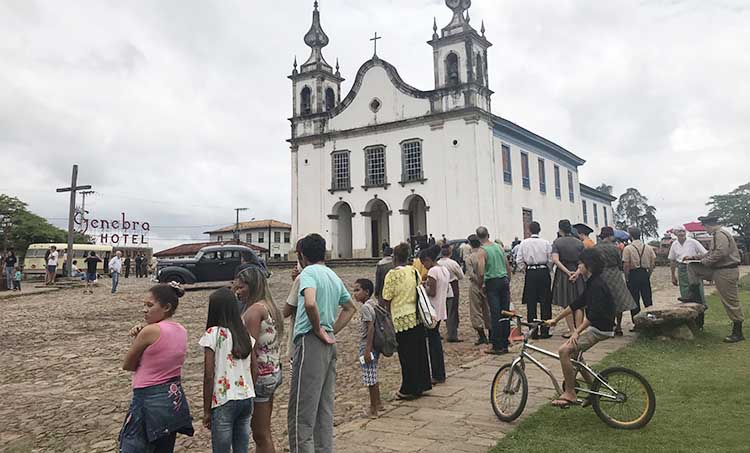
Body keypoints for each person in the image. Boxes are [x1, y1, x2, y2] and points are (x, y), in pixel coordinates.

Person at [287, 233, 356, 453]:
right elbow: (350, 308)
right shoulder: (332, 275)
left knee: (301, 413)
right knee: (323, 411)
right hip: (328, 345)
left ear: (302, 255)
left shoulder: (308, 273)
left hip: (310, 341)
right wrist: (330, 330)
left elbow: (309, 303)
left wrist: (318, 328)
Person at [120, 283, 193, 452]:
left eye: (150, 305)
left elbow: (128, 364)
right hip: (172, 397)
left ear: (166, 307)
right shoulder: (181, 330)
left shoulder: (149, 332)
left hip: (148, 397)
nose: (144, 310)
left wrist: (139, 337)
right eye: (144, 305)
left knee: (133, 445)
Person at [546, 248, 616, 408]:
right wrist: (556, 320)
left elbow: (593, 315)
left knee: (564, 351)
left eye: (580, 264)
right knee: (576, 355)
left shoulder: (597, 285)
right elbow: (577, 303)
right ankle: (594, 389)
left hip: (600, 329)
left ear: (589, 266)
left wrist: (576, 332)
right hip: (598, 326)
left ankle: (570, 393)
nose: (578, 267)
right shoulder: (592, 281)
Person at [200, 288, 256, 453]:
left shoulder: (213, 334)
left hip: (223, 398)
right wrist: (248, 386)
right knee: (241, 448)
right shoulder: (244, 333)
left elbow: (209, 375)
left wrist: (206, 410)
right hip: (246, 397)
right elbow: (255, 368)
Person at [235, 265, 284, 453]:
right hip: (272, 371)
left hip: (260, 377)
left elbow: (250, 348)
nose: (237, 292)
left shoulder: (254, 311)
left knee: (260, 435)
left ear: (252, 286)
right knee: (265, 432)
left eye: (241, 287)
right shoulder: (269, 306)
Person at [681, 215, 745, 343]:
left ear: (708, 225)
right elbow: (710, 253)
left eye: (705, 227)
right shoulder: (716, 235)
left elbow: (721, 253)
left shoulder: (720, 235)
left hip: (726, 271)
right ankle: (694, 295)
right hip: (717, 269)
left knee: (730, 301)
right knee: (692, 267)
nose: (705, 230)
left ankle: (738, 332)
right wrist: (694, 258)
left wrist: (705, 262)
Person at [382, 243, 432, 399]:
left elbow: (386, 297)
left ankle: (408, 388)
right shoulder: (413, 271)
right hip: (416, 316)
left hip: (401, 319)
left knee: (406, 355)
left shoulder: (392, 275)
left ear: (395, 257)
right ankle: (422, 384)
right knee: (419, 353)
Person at [592, 227, 637, 336]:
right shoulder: (615, 248)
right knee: (618, 301)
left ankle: (607, 326)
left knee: (603, 302)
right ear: (610, 236)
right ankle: (619, 326)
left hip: (601, 275)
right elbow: (620, 263)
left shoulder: (595, 248)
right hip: (614, 274)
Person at [476, 226, 511, 355]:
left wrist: (480, 285)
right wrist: (508, 279)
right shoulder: (498, 247)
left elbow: (481, 271)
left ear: (478, 237)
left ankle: (497, 345)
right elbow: (507, 265)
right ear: (488, 234)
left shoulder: (482, 251)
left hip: (492, 281)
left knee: (495, 314)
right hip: (503, 280)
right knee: (505, 312)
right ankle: (505, 342)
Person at [515, 222, 553, 338]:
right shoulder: (546, 243)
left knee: (531, 302)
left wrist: (525, 269)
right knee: (545, 302)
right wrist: (547, 269)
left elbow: (519, 260)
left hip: (531, 272)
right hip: (543, 271)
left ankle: (533, 331)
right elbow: (550, 259)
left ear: (529, 230)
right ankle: (545, 330)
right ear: (539, 230)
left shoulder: (524, 243)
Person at [352, 278, 383, 418]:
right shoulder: (372, 304)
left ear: (366, 292)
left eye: (357, 290)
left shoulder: (365, 308)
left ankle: (373, 408)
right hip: (373, 346)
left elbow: (370, 328)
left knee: (370, 378)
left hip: (367, 345)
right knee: (373, 375)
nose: (355, 293)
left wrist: (367, 349)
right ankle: (378, 403)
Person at [551, 220, 585, 338]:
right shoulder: (579, 242)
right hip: (577, 272)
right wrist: (577, 273)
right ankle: (579, 330)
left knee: (567, 303)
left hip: (563, 274)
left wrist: (567, 272)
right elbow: (583, 261)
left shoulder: (557, 242)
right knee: (579, 303)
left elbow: (555, 260)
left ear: (560, 229)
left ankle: (571, 330)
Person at [420, 246, 449, 384]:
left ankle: (437, 374)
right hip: (441, 308)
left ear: (427, 260)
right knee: (435, 341)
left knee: (433, 344)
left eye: (423, 263)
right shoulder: (444, 269)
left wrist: (422, 287)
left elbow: (432, 292)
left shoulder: (432, 271)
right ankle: (440, 372)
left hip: (432, 310)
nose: (424, 266)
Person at [669, 226, 708, 316]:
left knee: (697, 288)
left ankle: (701, 308)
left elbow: (705, 254)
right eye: (679, 231)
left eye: (683, 231)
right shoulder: (674, 244)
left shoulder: (693, 242)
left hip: (693, 266)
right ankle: (688, 312)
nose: (682, 233)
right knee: (685, 290)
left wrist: (695, 259)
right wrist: (673, 276)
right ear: (675, 234)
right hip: (681, 267)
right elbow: (672, 260)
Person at [622, 227, 656, 329]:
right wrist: (649, 274)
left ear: (630, 235)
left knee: (634, 301)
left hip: (633, 274)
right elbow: (653, 262)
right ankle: (651, 320)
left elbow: (626, 264)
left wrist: (626, 276)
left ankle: (637, 323)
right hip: (644, 273)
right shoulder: (648, 247)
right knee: (648, 299)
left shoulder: (628, 248)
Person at [464, 234, 491, 345]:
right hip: (487, 283)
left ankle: (482, 335)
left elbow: (471, 273)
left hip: (475, 285)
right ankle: (491, 333)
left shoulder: (469, 258)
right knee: (488, 308)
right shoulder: (485, 254)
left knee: (475, 310)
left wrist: (479, 282)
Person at [438, 244, 464, 342]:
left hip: (441, 287)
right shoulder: (453, 263)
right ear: (450, 252)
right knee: (452, 310)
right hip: (452, 286)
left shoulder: (438, 263)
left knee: (441, 309)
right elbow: (461, 276)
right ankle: (452, 333)